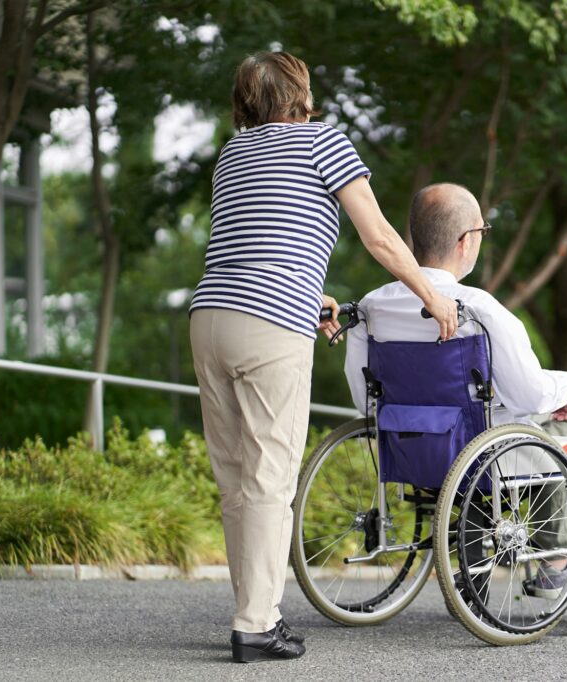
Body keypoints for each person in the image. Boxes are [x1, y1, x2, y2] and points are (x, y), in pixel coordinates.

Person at [188, 52, 459, 664]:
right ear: (300, 92)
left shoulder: (234, 154)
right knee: (269, 477)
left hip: (211, 317)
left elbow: (254, 242)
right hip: (266, 324)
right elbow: (381, 236)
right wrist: (431, 296)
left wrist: (313, 297)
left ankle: (252, 612)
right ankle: (256, 625)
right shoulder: (323, 142)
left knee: (238, 481)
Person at [344, 183, 567, 604]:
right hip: (493, 456)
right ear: (466, 242)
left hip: (414, 452)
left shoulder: (373, 306)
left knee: (544, 418)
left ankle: (557, 562)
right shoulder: (478, 308)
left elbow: (365, 399)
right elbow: (531, 394)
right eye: (482, 231)